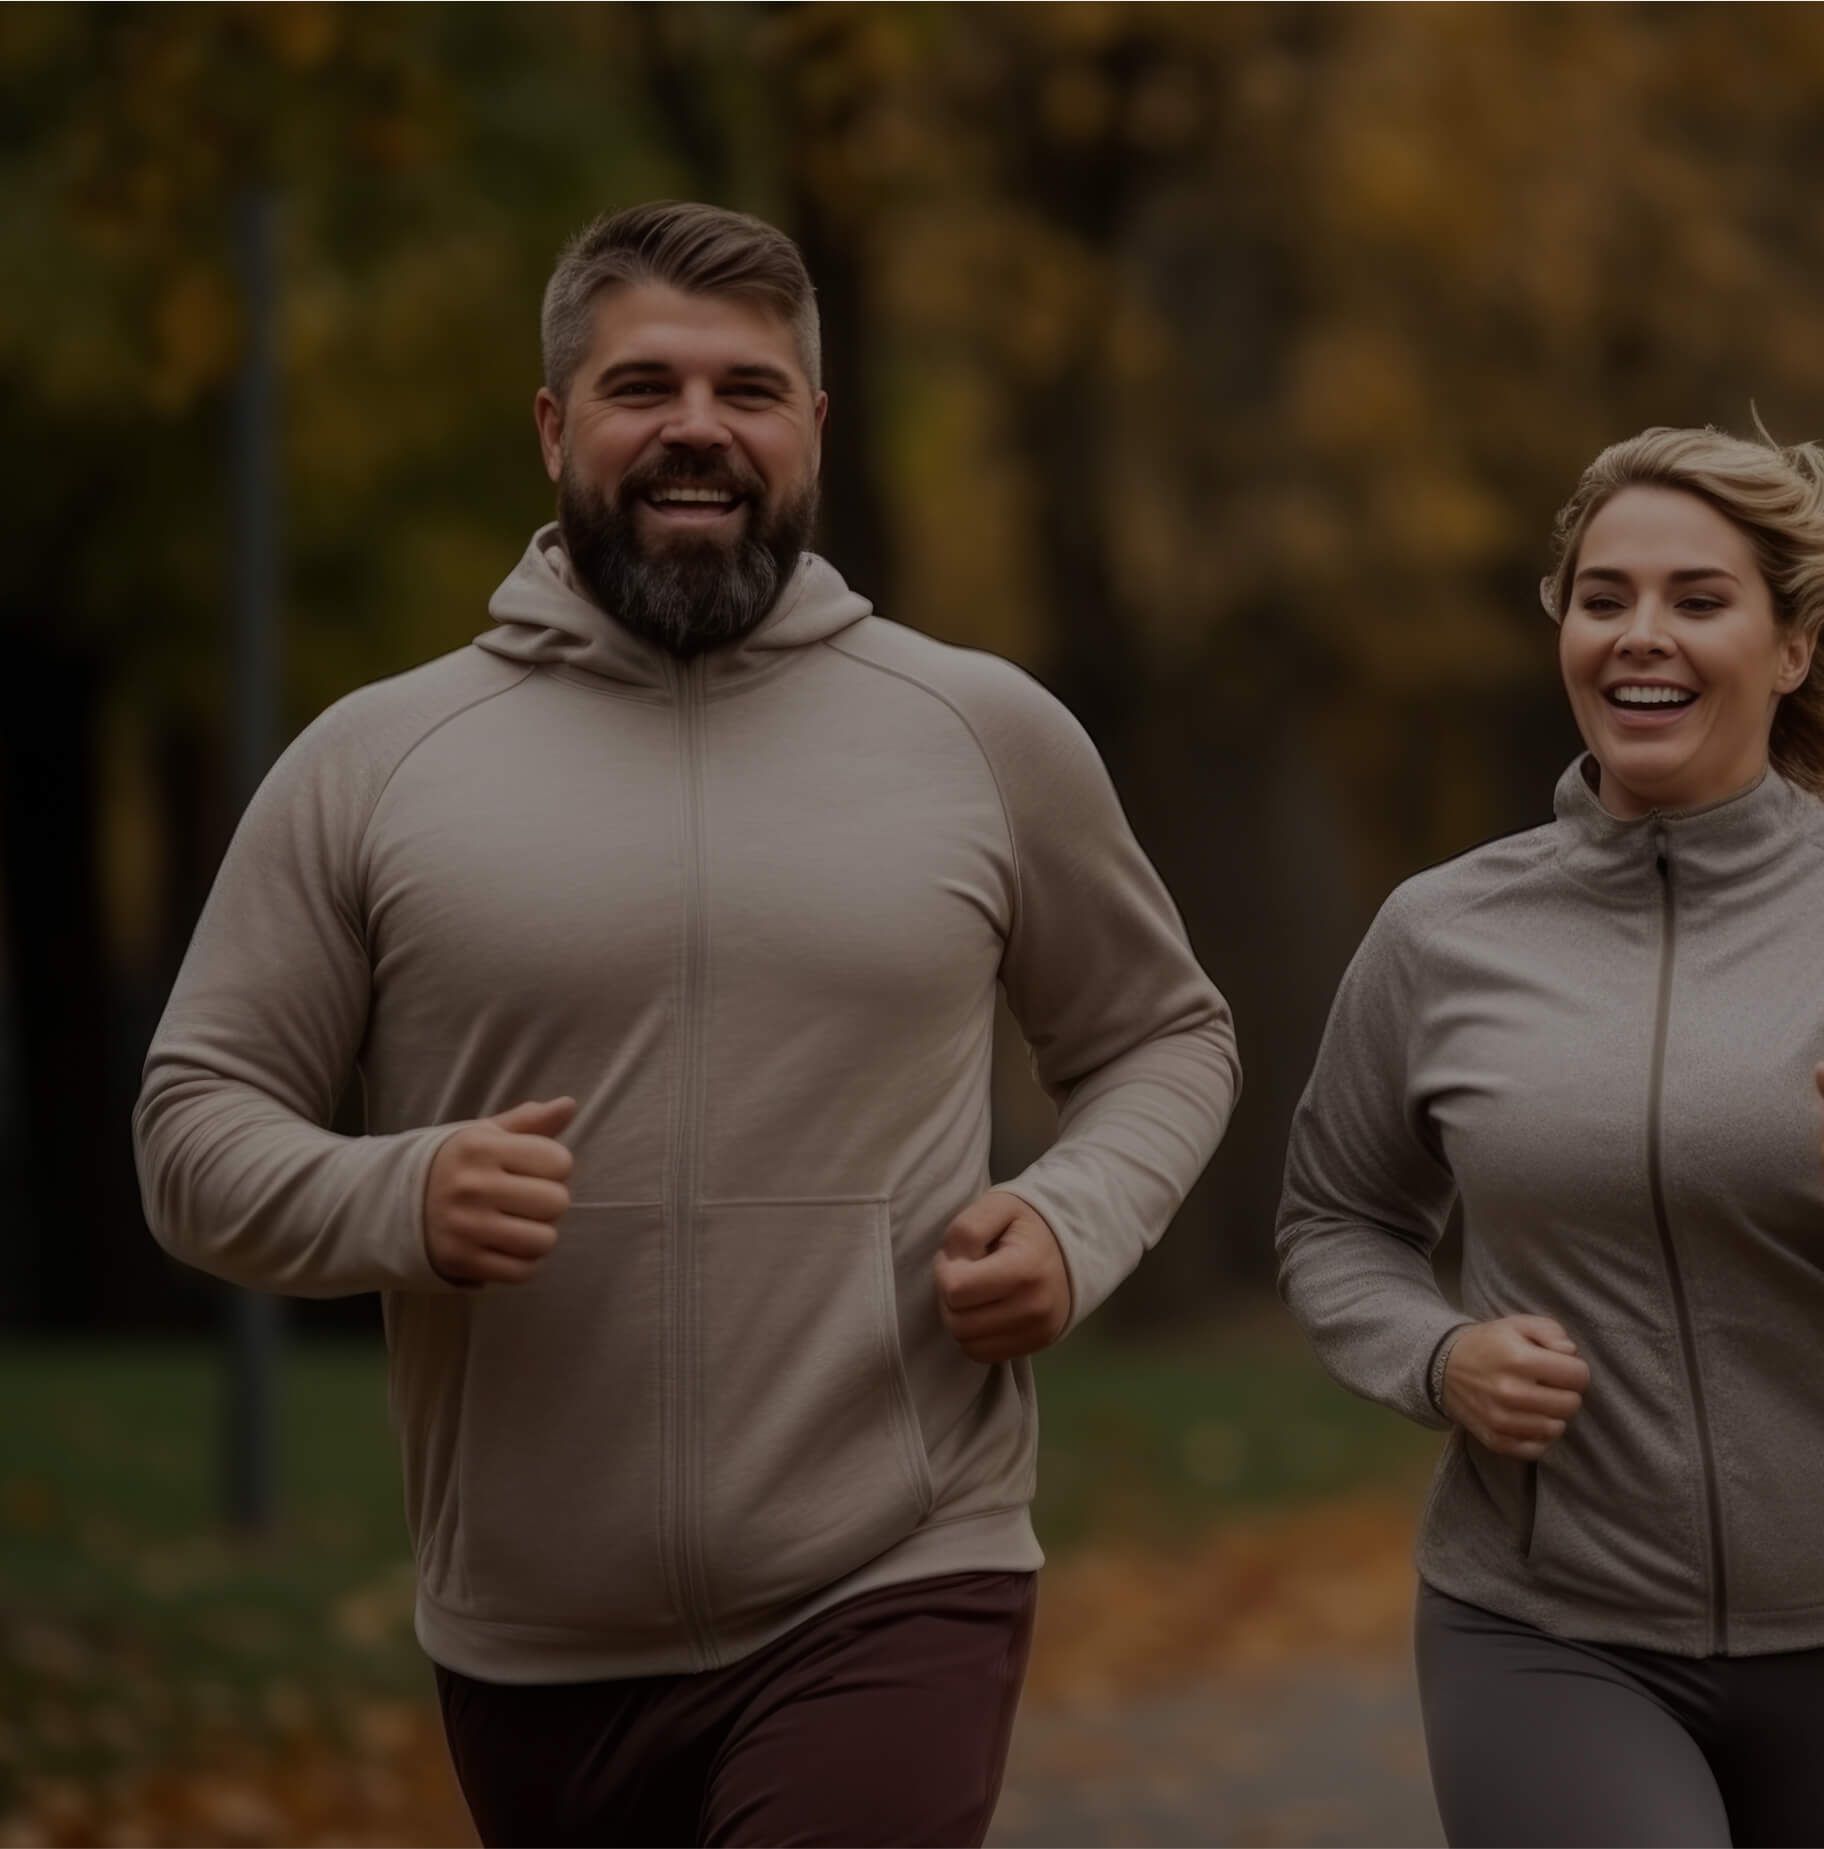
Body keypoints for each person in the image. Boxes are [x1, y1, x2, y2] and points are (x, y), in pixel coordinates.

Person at [132, 200, 1240, 1848]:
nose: (699, 427)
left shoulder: (980, 732)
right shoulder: (376, 764)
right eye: (644, 385)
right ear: (553, 425)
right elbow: (191, 1126)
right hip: (530, 1634)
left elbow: (1166, 1036)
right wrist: (399, 1194)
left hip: (897, 1566)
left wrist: (1075, 1222)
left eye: (749, 389)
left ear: (815, 427)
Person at [1276, 424, 1824, 1847]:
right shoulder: (1443, 932)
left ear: (1792, 648)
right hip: (1549, 1633)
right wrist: (1438, 1354)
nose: (1641, 634)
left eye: (1698, 598)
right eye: (1603, 597)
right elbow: (1335, 1220)